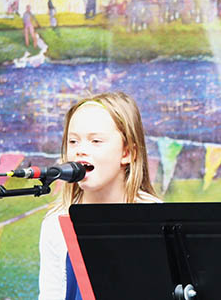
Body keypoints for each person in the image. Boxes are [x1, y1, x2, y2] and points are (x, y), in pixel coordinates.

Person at [38, 92, 160, 299]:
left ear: (128, 153)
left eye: (95, 141)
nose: (80, 150)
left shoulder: (157, 217)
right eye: (73, 141)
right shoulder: (55, 224)